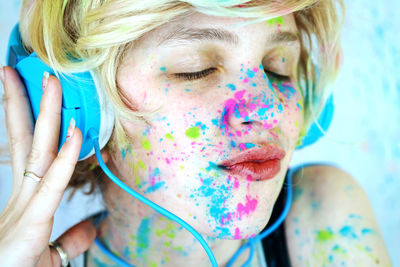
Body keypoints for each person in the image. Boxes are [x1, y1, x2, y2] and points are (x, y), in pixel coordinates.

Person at [0, 0, 392, 266]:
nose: (268, 108)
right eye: (195, 68)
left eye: (278, 66)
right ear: (80, 107)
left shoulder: (322, 211)